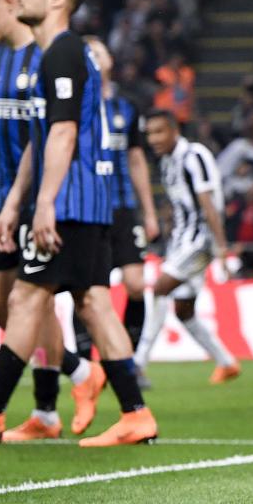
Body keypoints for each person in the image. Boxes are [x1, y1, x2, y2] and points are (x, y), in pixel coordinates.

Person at [0, 0, 156, 446]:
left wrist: (42, 204)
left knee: (27, 299)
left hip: (71, 200)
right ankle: (132, 411)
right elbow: (39, 139)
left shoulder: (61, 54)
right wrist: (16, 196)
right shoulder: (51, 54)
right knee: (92, 303)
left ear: (58, 0)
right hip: (76, 200)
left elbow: (62, 132)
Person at [0, 0, 105, 441]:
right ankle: (80, 372)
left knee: (30, 301)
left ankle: (43, 412)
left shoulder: (45, 55)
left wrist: (29, 200)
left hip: (38, 197)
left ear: (8, 3)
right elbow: (2, 134)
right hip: (5, 197)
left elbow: (47, 136)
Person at [72, 38, 160, 391]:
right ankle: (86, 365)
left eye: (99, 50)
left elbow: (137, 160)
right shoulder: (74, 107)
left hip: (123, 209)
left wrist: (149, 211)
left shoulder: (126, 108)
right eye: (87, 52)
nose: (94, 55)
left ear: (110, 60)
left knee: (137, 285)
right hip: (89, 208)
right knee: (85, 290)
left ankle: (131, 362)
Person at [134, 110, 241, 385]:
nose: (153, 139)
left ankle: (137, 364)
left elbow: (208, 202)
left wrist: (220, 248)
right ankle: (226, 363)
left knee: (159, 288)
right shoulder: (168, 162)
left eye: (159, 132)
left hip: (200, 240)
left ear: (173, 130)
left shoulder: (194, 155)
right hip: (181, 241)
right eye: (149, 134)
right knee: (184, 309)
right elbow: (179, 204)